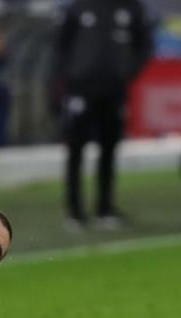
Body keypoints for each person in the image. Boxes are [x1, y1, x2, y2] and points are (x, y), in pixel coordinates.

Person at [55, 0, 151, 231]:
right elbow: (60, 45)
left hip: (114, 90)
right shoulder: (78, 7)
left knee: (109, 149)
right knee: (76, 149)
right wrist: (72, 76)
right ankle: (75, 211)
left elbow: (144, 45)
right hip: (81, 90)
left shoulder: (131, 8)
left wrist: (126, 72)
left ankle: (105, 208)